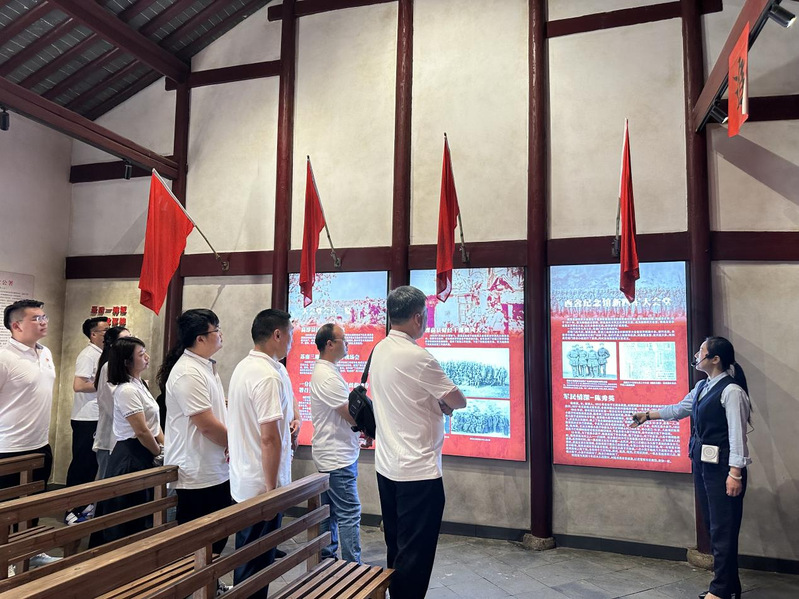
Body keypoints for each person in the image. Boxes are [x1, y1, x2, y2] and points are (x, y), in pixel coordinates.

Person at [630, 336, 751, 599]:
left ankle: (720, 590)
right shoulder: (702, 387)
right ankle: (730, 586)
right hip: (704, 465)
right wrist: (648, 416)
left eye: (701, 352)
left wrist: (735, 473)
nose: (696, 355)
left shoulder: (731, 391)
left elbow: (737, 436)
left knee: (723, 528)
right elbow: (679, 409)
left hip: (724, 470)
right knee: (714, 526)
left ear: (715, 359)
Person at [371, 286, 467, 598]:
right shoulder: (418, 357)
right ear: (417, 317)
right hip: (418, 472)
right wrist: (443, 404)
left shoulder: (380, 349)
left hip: (388, 467)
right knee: (415, 554)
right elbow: (458, 399)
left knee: (397, 546)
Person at [228, 309, 301, 599]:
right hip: (262, 485)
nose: (292, 341)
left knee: (250, 558)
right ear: (277, 334)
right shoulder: (267, 375)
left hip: (246, 479)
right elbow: (269, 438)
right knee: (255, 565)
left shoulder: (247, 366)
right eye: (291, 334)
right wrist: (272, 492)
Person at [160, 309, 230, 559]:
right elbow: (206, 425)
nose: (221, 334)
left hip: (213, 466)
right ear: (200, 338)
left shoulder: (204, 366)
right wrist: (238, 444)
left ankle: (208, 578)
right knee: (198, 544)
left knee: (216, 538)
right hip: (196, 471)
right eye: (216, 330)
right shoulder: (188, 372)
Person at [0, 299, 61, 569]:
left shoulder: (45, 353)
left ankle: (28, 553)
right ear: (16, 325)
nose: (43, 322)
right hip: (9, 446)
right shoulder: (4, 358)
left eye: (44, 317)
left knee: (34, 504)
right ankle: (5, 560)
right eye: (36, 318)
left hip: (40, 443)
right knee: (7, 508)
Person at [310, 323, 367, 563]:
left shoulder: (328, 371)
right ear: (330, 344)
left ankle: (326, 559)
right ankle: (352, 566)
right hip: (337, 457)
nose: (348, 344)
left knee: (331, 512)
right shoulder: (326, 376)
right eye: (344, 339)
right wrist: (369, 426)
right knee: (349, 512)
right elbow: (350, 414)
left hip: (335, 453)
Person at [98, 337, 163, 544]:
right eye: (141, 354)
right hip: (130, 455)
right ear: (127, 361)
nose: (147, 357)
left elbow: (154, 423)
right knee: (125, 517)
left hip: (144, 450)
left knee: (141, 513)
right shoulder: (126, 389)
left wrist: (164, 447)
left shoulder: (139, 384)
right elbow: (142, 431)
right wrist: (158, 452)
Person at [64, 316, 110, 524]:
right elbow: (79, 385)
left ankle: (85, 505)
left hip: (98, 416)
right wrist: (107, 383)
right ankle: (72, 509)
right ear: (93, 334)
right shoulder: (88, 355)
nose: (108, 334)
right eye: (104, 331)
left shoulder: (102, 354)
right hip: (86, 418)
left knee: (92, 465)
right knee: (82, 464)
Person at [92, 326, 131, 480]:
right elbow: (111, 405)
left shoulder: (126, 367)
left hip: (124, 436)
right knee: (106, 481)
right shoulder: (109, 367)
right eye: (124, 340)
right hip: (111, 436)